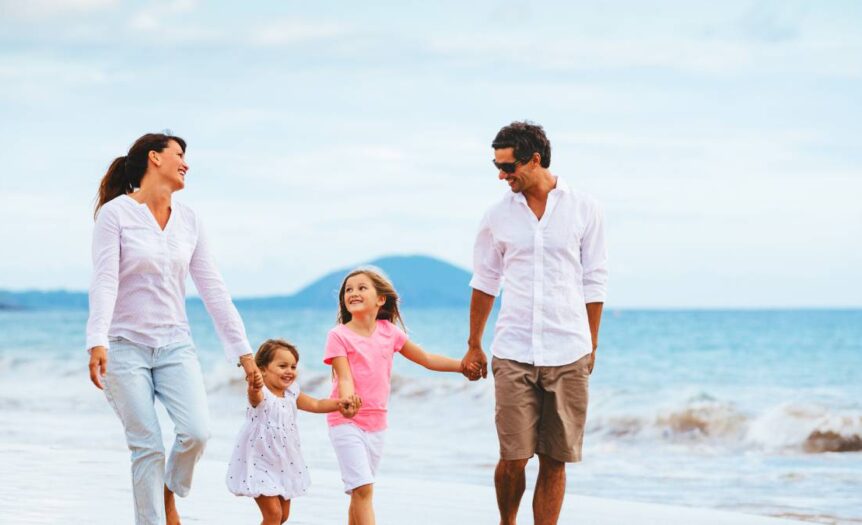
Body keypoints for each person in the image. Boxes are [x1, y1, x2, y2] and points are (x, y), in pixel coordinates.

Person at [85, 133, 259, 525]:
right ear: (154, 158)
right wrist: (96, 340)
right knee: (147, 445)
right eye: (179, 155)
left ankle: (169, 493)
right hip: (123, 345)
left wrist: (244, 353)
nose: (186, 163)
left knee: (196, 432)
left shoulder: (190, 219)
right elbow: (105, 281)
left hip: (175, 345)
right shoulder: (115, 215)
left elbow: (212, 288)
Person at [461, 121, 608, 525]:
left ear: (535, 159)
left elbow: (594, 279)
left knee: (555, 459)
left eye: (508, 167)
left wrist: (591, 344)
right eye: (497, 165)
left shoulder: (585, 208)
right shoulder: (496, 215)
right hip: (513, 350)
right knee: (513, 456)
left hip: (569, 349)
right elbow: (485, 280)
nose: (501, 175)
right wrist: (474, 343)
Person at [323, 268, 479, 525]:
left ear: (380, 299)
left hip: (377, 424)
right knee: (363, 489)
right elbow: (345, 376)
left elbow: (426, 359)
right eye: (348, 289)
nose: (353, 293)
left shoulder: (389, 332)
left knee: (360, 492)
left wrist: (462, 366)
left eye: (362, 288)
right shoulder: (338, 335)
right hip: (345, 421)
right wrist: (348, 401)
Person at [227, 339, 362, 525]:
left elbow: (316, 404)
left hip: (283, 461)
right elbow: (254, 396)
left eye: (293, 366)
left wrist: (339, 404)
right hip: (259, 460)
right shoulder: (261, 393)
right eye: (282, 366)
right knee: (273, 515)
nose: (289, 371)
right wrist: (254, 385)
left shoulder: (291, 393)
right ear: (263, 369)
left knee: (283, 516)